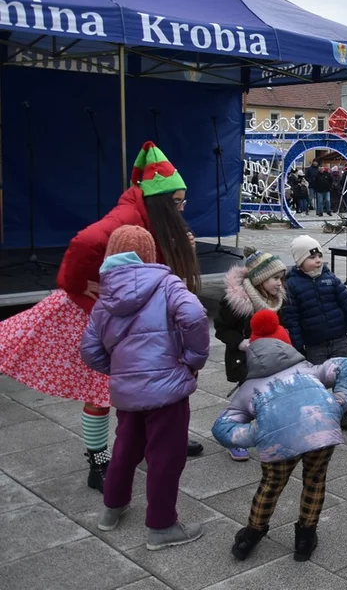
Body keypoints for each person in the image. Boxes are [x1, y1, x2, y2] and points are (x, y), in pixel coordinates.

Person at [0, 141, 203, 491]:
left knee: (156, 377)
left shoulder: (150, 215)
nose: (182, 208)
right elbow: (84, 242)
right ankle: (98, 461)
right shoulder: (126, 218)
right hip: (107, 315)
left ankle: (163, 438)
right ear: (161, 200)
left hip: (138, 311)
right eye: (178, 202)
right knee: (101, 389)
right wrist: (80, 285)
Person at [81, 225, 209, 550]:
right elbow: (194, 315)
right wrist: (193, 358)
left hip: (128, 393)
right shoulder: (167, 283)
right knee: (166, 456)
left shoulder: (105, 295)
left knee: (125, 448)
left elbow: (89, 350)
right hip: (167, 391)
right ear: (149, 254)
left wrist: (123, 371)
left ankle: (112, 508)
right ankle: (163, 525)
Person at [213, 310, 347, 563]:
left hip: (279, 443)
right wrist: (338, 404)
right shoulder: (308, 370)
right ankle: (305, 538)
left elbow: (222, 428)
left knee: (271, 484)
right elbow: (346, 366)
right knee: (315, 480)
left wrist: (257, 433)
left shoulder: (248, 389)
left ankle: (251, 536)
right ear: (286, 346)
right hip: (319, 431)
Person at [281, 235, 347, 429]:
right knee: (317, 378)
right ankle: (321, 410)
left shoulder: (330, 278)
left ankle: (343, 411)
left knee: (342, 375)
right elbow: (292, 317)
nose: (318, 260)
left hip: (338, 337)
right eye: (312, 257)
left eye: (319, 255)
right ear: (300, 261)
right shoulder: (292, 285)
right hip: (314, 341)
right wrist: (297, 343)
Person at [214, 247, 288, 460]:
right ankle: (233, 437)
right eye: (274, 278)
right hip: (245, 358)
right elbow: (222, 328)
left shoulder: (276, 298)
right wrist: (240, 342)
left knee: (271, 397)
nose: (279, 283)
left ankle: (272, 434)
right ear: (260, 279)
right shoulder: (237, 301)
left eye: (281, 278)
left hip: (272, 357)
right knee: (245, 402)